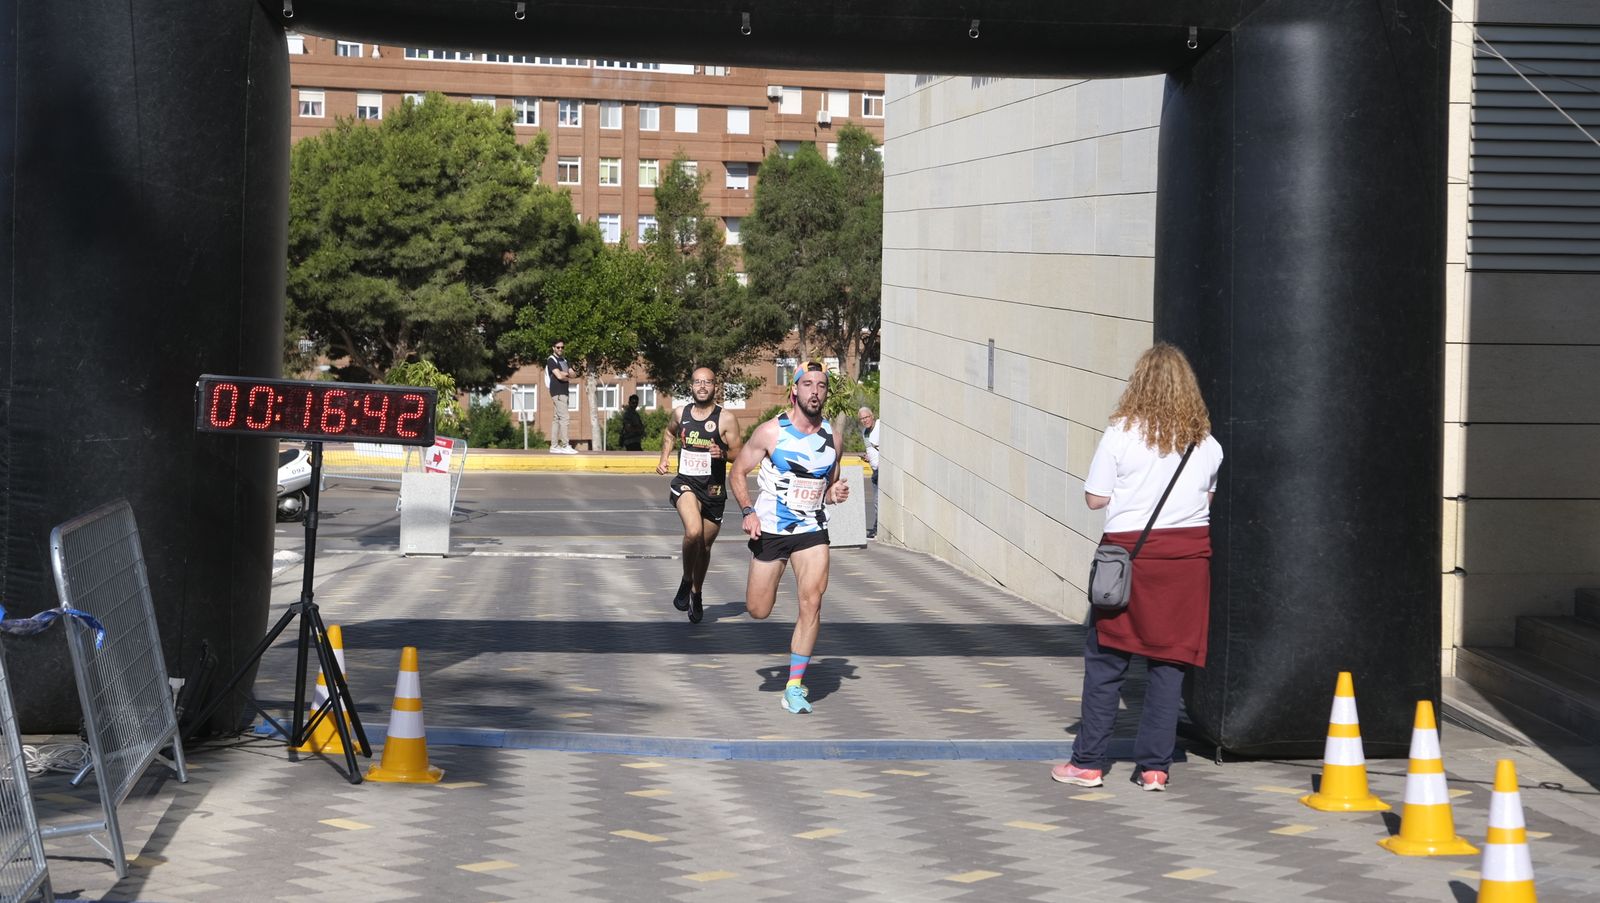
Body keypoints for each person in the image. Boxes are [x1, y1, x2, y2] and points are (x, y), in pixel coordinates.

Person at [1052, 343, 1224, 793]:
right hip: (1187, 566)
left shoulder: (1122, 433)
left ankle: (1088, 763)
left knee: (1107, 662)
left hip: (1129, 561)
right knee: (1169, 666)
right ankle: (1154, 769)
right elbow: (1205, 500)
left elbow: (1095, 498)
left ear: (1139, 384)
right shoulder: (1206, 444)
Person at [728, 362, 849, 714]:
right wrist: (748, 511)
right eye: (808, 384)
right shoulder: (771, 433)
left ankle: (794, 685)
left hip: (812, 531)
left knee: (812, 602)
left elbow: (826, 489)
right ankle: (766, 589)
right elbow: (738, 472)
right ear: (794, 390)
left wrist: (834, 495)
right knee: (758, 609)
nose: (815, 391)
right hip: (771, 530)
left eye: (821, 385)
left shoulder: (833, 440)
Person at [657, 368, 742, 623]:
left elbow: (740, 453)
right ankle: (685, 581)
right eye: (697, 382)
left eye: (707, 382)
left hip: (713, 491)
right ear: (691, 386)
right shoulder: (680, 413)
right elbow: (669, 433)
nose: (702, 386)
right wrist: (664, 458)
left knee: (703, 547)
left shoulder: (725, 419)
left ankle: (696, 592)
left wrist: (724, 454)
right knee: (692, 532)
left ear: (715, 386)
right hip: (685, 483)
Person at [544, 340, 578, 454]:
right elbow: (559, 376)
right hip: (557, 392)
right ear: (553, 348)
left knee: (557, 419)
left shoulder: (564, 360)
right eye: (558, 347)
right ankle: (565, 445)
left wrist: (567, 374)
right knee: (565, 418)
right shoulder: (551, 360)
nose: (560, 349)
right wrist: (565, 374)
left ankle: (554, 446)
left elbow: (573, 374)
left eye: (562, 347)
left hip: (564, 392)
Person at [856, 406, 881, 539]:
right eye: (862, 419)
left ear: (872, 416)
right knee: (876, 500)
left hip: (882, 469)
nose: (865, 420)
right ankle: (877, 527)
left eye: (866, 417)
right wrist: (867, 457)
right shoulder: (865, 432)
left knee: (877, 500)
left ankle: (877, 528)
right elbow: (871, 450)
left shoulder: (879, 426)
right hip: (874, 468)